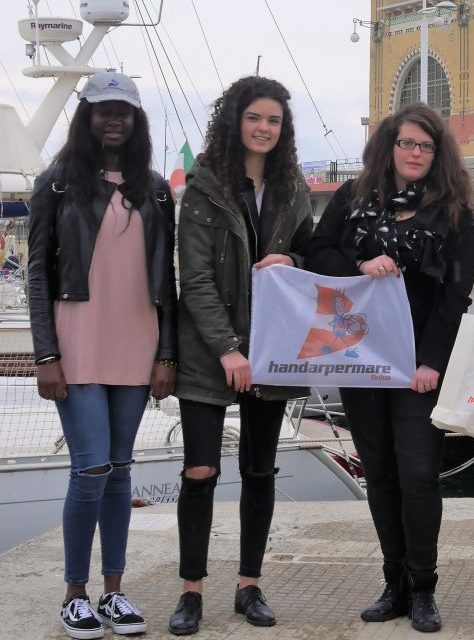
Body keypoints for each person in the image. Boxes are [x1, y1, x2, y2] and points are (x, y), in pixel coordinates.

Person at [305, 102, 474, 633]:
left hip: (416, 368)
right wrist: (359, 263)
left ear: (437, 153)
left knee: (420, 475)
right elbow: (316, 253)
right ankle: (394, 584)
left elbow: (455, 298)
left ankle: (424, 586)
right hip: (360, 361)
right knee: (379, 473)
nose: (415, 153)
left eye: (425, 146)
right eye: (406, 143)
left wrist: (431, 362)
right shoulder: (353, 200)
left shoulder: (455, 214)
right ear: (389, 146)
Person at [27, 71, 177, 639]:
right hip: (77, 343)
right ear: (86, 117)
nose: (113, 119)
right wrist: (46, 355)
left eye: (124, 111)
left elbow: (169, 280)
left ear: (136, 120)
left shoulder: (155, 188)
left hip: (137, 347)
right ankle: (74, 594)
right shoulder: (57, 183)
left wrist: (168, 355)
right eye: (102, 110)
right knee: (89, 467)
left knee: (119, 471)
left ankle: (115, 593)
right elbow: (36, 275)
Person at [168, 76, 313, 635]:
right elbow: (196, 281)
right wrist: (228, 348)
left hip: (273, 351)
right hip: (211, 354)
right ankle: (191, 592)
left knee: (259, 471)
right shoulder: (203, 187)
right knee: (200, 471)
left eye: (274, 120)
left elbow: (315, 249)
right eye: (255, 117)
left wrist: (293, 261)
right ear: (235, 120)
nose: (264, 128)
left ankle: (249, 586)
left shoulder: (294, 187)